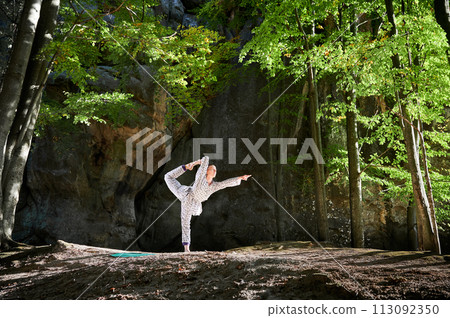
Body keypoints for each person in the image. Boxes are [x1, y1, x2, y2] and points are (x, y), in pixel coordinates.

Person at [164, 155, 251, 252]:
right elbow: (206, 159)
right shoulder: (201, 177)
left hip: (194, 203)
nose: (214, 171)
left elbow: (225, 184)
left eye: (215, 170)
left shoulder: (214, 186)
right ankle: (185, 167)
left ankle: (186, 248)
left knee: (186, 223)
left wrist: (240, 178)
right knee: (168, 177)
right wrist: (194, 164)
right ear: (206, 171)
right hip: (185, 193)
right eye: (212, 169)